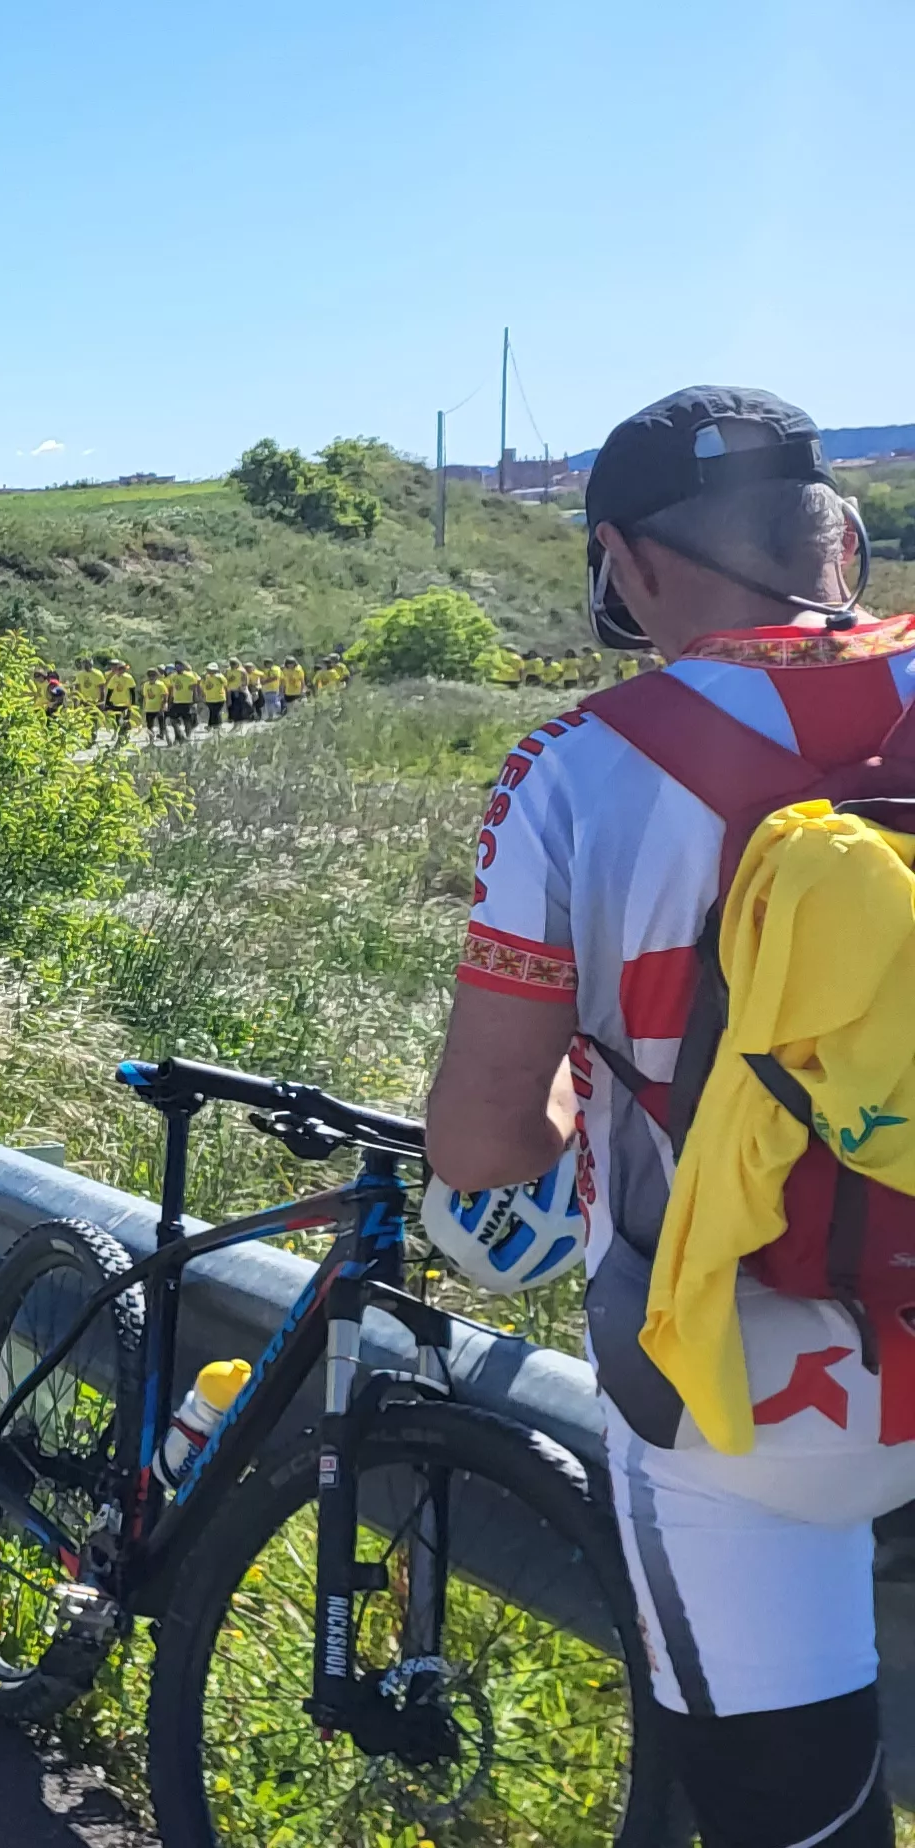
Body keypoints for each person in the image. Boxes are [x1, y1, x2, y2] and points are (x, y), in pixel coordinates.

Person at [423, 387, 910, 1848]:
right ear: (842, 537)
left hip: (747, 1392)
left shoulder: (577, 769)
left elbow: (486, 1144)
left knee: (794, 1819)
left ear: (625, 569)